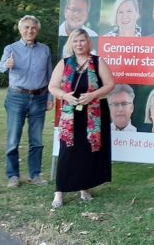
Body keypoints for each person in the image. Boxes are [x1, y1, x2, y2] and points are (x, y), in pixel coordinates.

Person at [48, 28, 115, 208]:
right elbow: (52, 86)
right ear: (71, 43)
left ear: (88, 43)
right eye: (75, 41)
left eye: (82, 41)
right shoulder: (64, 63)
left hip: (93, 114)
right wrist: (64, 96)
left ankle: (83, 188)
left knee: (87, 151)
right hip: (71, 115)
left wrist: (94, 95)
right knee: (67, 152)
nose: (79, 44)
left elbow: (110, 84)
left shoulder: (97, 61)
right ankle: (59, 192)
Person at [0, 15, 54, 188]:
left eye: (33, 28)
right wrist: (7, 64)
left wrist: (50, 97)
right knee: (13, 139)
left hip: (39, 98)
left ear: (38, 30)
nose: (30, 31)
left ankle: (35, 175)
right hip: (17, 97)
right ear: (21, 29)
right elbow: (0, 67)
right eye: (26, 27)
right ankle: (13, 176)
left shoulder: (45, 49)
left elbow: (50, 75)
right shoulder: (11, 48)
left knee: (36, 140)